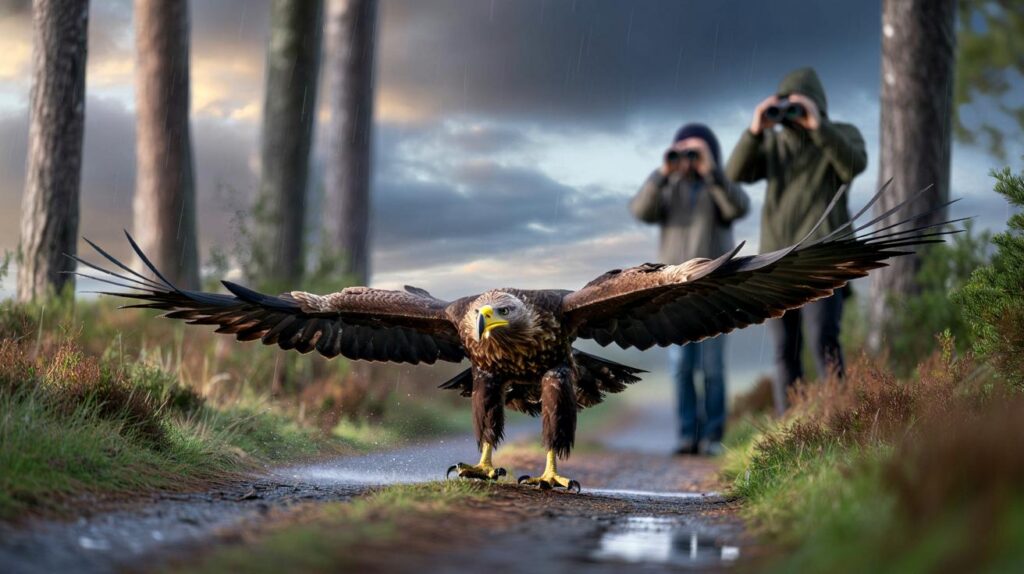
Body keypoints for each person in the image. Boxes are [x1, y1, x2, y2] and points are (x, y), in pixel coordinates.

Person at [725, 67, 867, 415]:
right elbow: (734, 173)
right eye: (785, 107)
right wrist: (755, 129)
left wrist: (819, 125)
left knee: (824, 341)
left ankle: (839, 417)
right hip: (778, 262)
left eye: (800, 105)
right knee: (784, 350)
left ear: (818, 104)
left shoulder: (841, 134)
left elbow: (854, 165)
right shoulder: (773, 143)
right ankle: (790, 428)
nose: (792, 114)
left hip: (824, 258)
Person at [630, 123, 750, 456]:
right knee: (681, 366)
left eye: (695, 151)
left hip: (714, 291)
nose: (687, 158)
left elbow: (737, 208)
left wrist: (712, 173)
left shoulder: (719, 186)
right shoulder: (669, 188)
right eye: (682, 151)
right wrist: (662, 173)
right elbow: (641, 210)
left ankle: (713, 437)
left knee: (712, 368)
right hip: (675, 292)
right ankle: (687, 435)